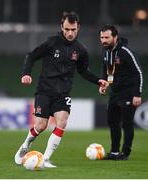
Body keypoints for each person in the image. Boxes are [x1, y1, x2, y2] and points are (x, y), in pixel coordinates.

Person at [14, 12, 108, 168]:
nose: (70, 33)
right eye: (67, 29)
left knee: (62, 122)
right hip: (44, 90)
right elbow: (31, 56)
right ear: (62, 27)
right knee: (41, 126)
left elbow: (83, 71)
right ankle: (25, 145)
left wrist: (98, 81)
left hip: (63, 94)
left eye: (73, 29)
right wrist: (26, 73)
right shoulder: (52, 43)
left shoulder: (81, 50)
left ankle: (45, 159)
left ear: (78, 28)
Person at [99, 25, 143, 160]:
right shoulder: (106, 52)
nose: (104, 40)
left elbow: (138, 73)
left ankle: (125, 153)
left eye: (107, 37)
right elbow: (105, 71)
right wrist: (102, 84)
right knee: (112, 122)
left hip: (128, 93)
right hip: (115, 93)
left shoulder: (125, 52)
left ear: (115, 37)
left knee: (127, 123)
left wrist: (137, 94)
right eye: (102, 37)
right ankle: (114, 152)